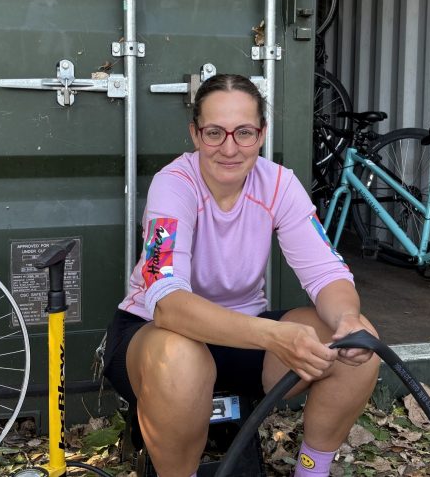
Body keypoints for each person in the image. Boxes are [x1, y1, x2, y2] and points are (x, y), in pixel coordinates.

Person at [102, 74, 380, 477]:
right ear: (195, 135)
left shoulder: (280, 183)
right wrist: (274, 336)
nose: (229, 148)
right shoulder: (173, 185)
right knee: (181, 358)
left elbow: (325, 271)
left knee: (355, 345)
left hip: (241, 338)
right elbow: (168, 306)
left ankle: (311, 470)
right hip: (157, 338)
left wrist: (347, 318)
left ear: (262, 134)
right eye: (214, 132)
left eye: (244, 132)